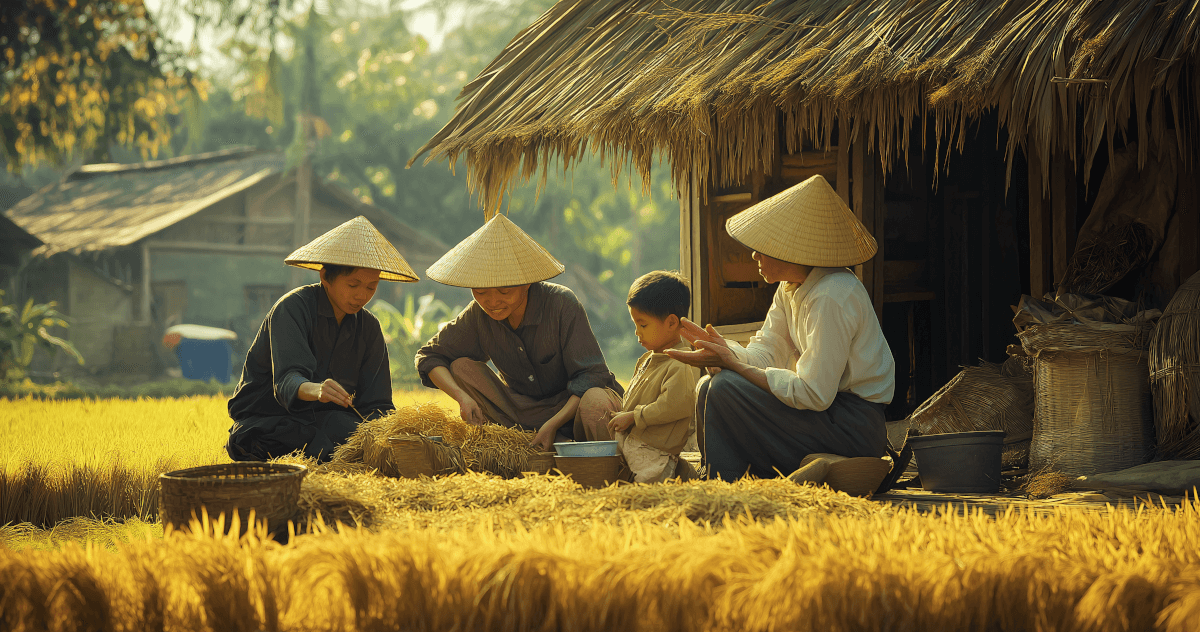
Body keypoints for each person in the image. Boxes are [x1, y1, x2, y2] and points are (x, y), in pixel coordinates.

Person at [667, 175, 896, 481]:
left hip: (852, 427)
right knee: (708, 386)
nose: (754, 255)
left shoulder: (832, 296)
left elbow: (814, 394)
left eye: (763, 247)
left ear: (790, 249)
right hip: (826, 416)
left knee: (724, 389)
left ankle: (725, 487)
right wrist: (725, 351)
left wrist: (734, 366)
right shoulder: (791, 288)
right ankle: (718, 481)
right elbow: (768, 351)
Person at [415, 213, 623, 451]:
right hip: (523, 413)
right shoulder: (478, 314)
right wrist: (463, 397)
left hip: (572, 410)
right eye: (481, 292)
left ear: (526, 282)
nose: (492, 302)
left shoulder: (561, 304)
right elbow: (429, 356)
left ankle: (602, 461)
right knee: (461, 367)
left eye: (504, 291)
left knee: (595, 401)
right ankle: (522, 442)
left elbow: (592, 376)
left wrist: (553, 424)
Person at [225, 216, 418, 462]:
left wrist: (396, 433)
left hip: (328, 422)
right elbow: (287, 380)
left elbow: (377, 404)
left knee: (359, 437)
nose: (362, 295)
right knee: (262, 440)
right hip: (271, 419)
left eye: (371, 287)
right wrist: (317, 389)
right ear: (325, 277)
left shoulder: (369, 326)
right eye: (353, 284)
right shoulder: (292, 309)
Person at [606, 271, 701, 483]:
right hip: (636, 446)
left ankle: (680, 472)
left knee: (648, 496)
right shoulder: (646, 360)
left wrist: (634, 416)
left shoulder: (680, 364)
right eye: (635, 325)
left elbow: (675, 405)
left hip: (656, 453)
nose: (637, 332)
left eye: (643, 325)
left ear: (671, 323)